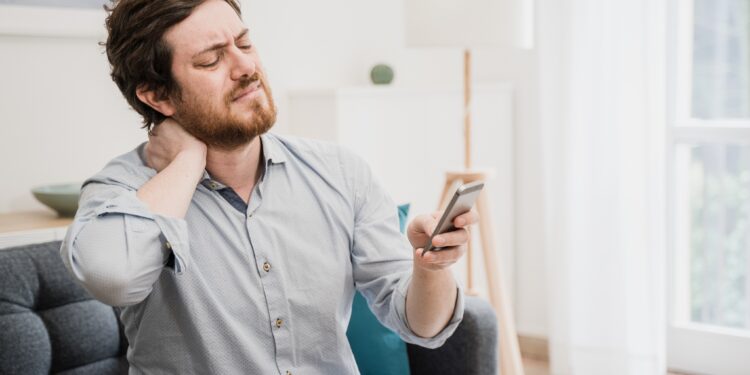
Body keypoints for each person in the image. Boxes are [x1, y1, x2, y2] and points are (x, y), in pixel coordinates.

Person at [60, 0, 477, 374]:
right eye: (211, 61)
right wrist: (188, 161)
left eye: (244, 43)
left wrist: (430, 267)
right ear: (158, 97)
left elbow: (422, 326)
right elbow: (113, 278)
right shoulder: (123, 191)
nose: (245, 67)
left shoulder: (340, 172)